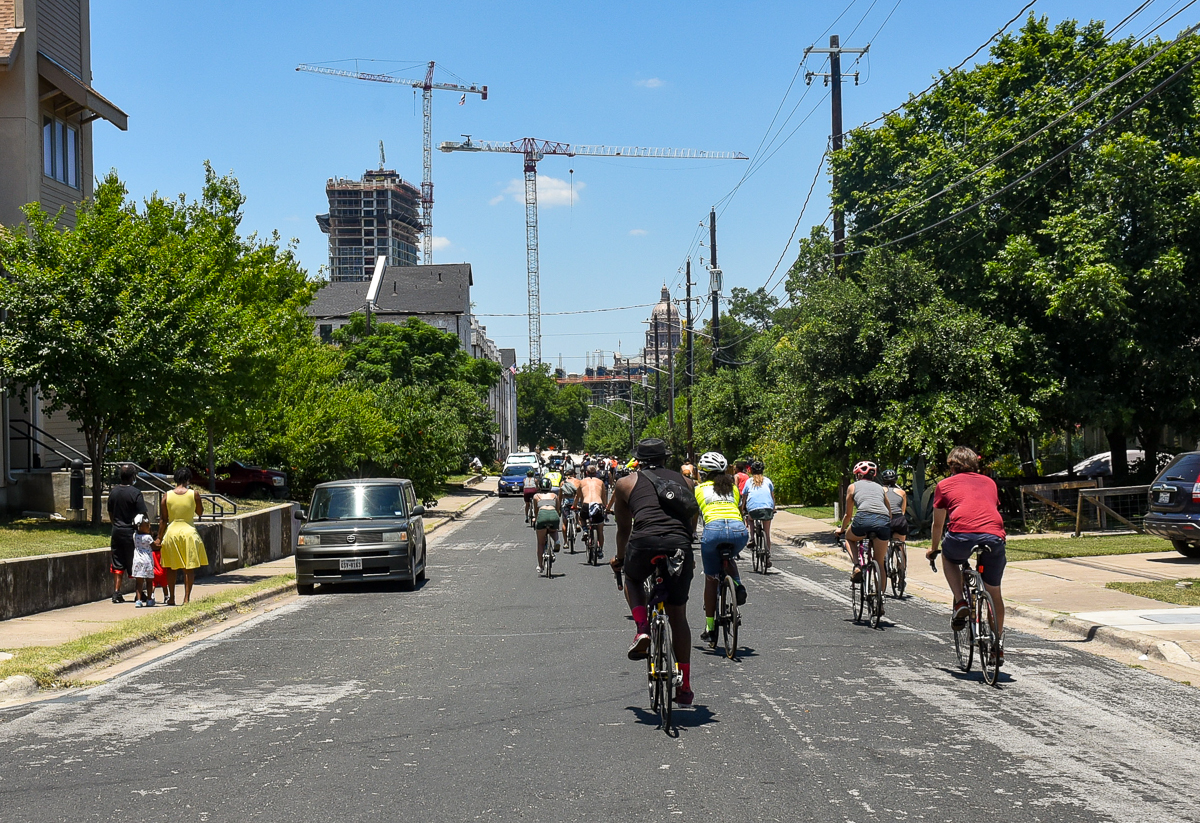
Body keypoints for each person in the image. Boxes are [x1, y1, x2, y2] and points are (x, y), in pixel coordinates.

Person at [609, 438, 698, 705]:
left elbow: (624, 529)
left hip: (644, 542)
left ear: (638, 460)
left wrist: (620, 559)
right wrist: (685, 543)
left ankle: (642, 629)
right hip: (678, 544)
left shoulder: (625, 483)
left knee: (633, 578)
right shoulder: (687, 482)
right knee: (678, 615)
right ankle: (685, 685)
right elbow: (692, 517)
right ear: (665, 458)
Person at [925, 446, 1008, 666]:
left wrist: (933, 548)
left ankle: (960, 602)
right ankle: (997, 645)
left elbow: (938, 524)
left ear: (952, 466)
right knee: (994, 592)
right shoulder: (989, 482)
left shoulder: (944, 485)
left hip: (961, 535)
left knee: (948, 558)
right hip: (993, 536)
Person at [695, 451, 749, 646]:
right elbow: (739, 510)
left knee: (711, 579)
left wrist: (689, 533)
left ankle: (710, 628)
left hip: (714, 531)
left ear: (703, 473)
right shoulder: (733, 489)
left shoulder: (699, 489)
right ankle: (737, 584)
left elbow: (693, 515)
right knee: (729, 557)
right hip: (738, 531)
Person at [836, 460, 893, 617]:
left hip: (863, 520)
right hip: (883, 522)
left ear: (859, 475)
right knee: (879, 562)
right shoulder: (881, 488)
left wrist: (841, 529)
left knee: (849, 538)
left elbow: (848, 514)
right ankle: (880, 599)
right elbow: (889, 512)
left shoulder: (853, 487)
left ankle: (857, 566)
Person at [155, 467, 208, 605]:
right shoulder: (194, 494)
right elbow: (200, 512)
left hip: (171, 533)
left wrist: (159, 537)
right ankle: (186, 599)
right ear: (188, 479)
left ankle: (172, 598)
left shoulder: (167, 495)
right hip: (189, 533)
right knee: (188, 568)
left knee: (171, 567)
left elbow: (163, 519)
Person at [107, 463, 147, 603]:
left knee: (117, 562)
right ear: (133, 476)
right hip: (131, 532)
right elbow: (143, 516)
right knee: (136, 562)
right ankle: (139, 593)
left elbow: (110, 513)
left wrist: (116, 525)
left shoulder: (113, 492)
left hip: (117, 531)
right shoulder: (136, 493)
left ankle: (116, 592)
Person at [741, 460, 777, 567]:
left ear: (751, 471)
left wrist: (742, 509)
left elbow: (744, 497)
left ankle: (752, 538)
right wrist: (773, 508)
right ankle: (768, 556)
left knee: (750, 519)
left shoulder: (749, 481)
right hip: (767, 508)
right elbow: (772, 497)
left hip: (753, 509)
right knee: (767, 532)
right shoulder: (768, 481)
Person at [578, 464, 609, 558]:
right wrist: (605, 506)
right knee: (600, 530)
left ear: (586, 473)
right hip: (598, 505)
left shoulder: (582, 482)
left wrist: (574, 506)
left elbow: (578, 496)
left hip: (586, 504)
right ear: (596, 473)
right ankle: (600, 550)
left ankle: (585, 530)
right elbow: (603, 496)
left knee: (581, 518)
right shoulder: (600, 482)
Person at [532, 477, 562, 573]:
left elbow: (536, 511)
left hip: (542, 515)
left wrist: (535, 519)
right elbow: (558, 509)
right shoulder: (554, 495)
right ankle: (557, 540)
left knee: (540, 543)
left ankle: (540, 566)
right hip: (553, 514)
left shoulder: (536, 496)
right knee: (553, 530)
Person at [131, 514, 157, 607]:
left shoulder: (135, 536)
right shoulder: (148, 537)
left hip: (137, 561)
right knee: (149, 581)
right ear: (140, 526)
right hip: (147, 561)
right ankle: (149, 599)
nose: (149, 527)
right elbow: (154, 546)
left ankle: (138, 600)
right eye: (146, 525)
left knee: (139, 582)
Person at [880, 469, 909, 547]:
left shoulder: (880, 491)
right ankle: (901, 554)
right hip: (899, 519)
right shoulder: (902, 492)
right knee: (900, 544)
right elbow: (903, 511)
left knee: (881, 544)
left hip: (884, 519)